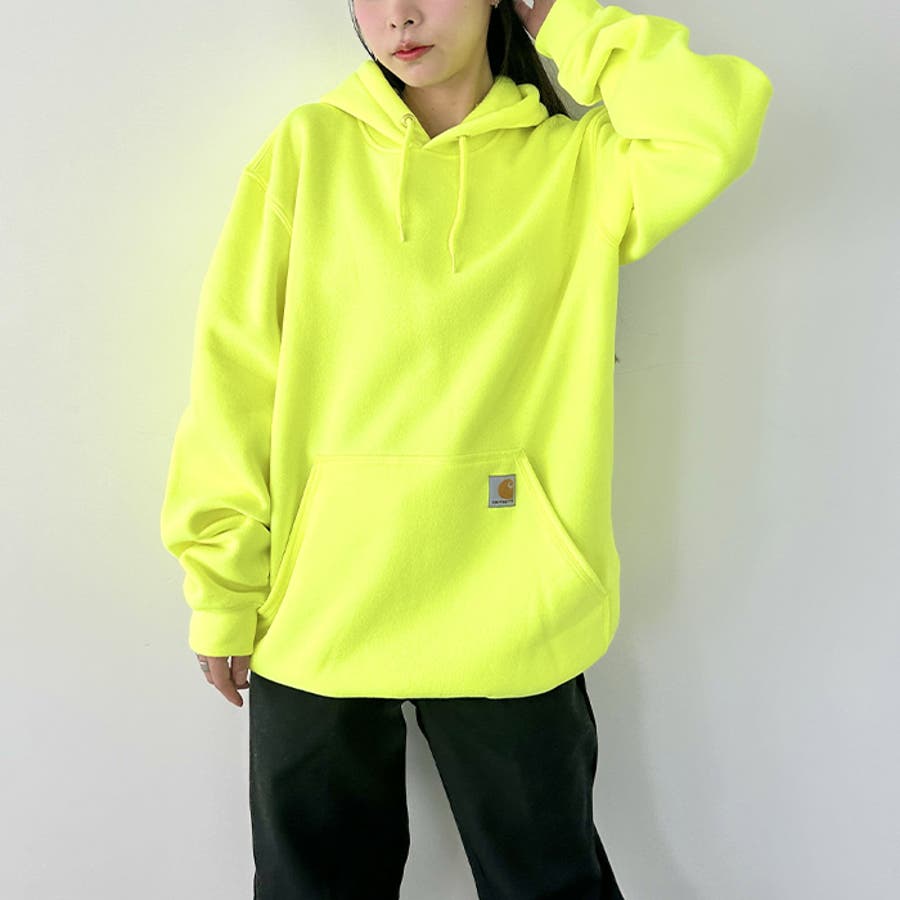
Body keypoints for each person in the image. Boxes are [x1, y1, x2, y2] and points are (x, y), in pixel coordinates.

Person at [160, 1, 773, 897]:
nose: (400, 16)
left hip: (513, 612)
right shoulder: (308, 150)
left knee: (548, 885)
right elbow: (237, 376)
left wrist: (563, 18)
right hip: (318, 607)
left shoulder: (577, 165)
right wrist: (221, 587)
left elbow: (712, 126)